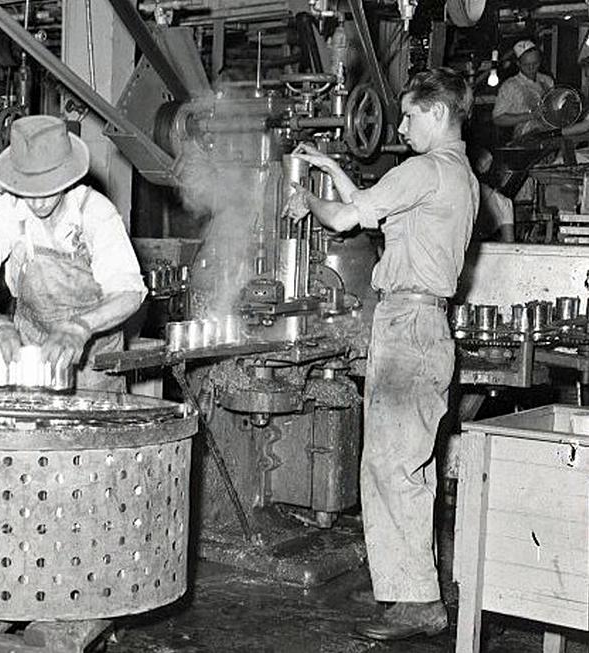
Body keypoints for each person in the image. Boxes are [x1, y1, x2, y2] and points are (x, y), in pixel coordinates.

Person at [287, 68, 479, 640]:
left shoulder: (425, 169)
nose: (399, 125)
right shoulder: (455, 177)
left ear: (438, 114)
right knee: (407, 462)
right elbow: (372, 206)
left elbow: (347, 219)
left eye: (410, 115)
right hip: (421, 323)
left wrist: (307, 199)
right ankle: (412, 589)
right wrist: (330, 169)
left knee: (392, 464)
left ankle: (418, 601)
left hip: (409, 326)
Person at [0, 115, 147, 391]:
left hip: (93, 364)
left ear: (67, 176)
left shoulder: (95, 212)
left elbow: (129, 294)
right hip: (30, 364)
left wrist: (80, 327)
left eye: (49, 188)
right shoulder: (3, 214)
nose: (39, 201)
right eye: (30, 190)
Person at [492, 40, 554, 140]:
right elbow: (498, 119)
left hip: (550, 134)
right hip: (525, 139)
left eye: (535, 63)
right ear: (518, 63)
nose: (531, 67)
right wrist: (531, 115)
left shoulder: (547, 81)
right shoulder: (510, 85)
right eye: (526, 64)